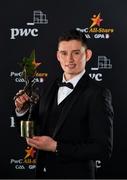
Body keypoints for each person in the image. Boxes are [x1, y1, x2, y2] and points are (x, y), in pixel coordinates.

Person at [14, 29, 113, 179]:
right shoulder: (48, 86)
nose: (69, 59)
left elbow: (103, 149)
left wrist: (56, 147)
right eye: (64, 53)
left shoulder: (98, 94)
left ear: (88, 55)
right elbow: (34, 122)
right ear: (58, 56)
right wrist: (22, 109)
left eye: (76, 53)